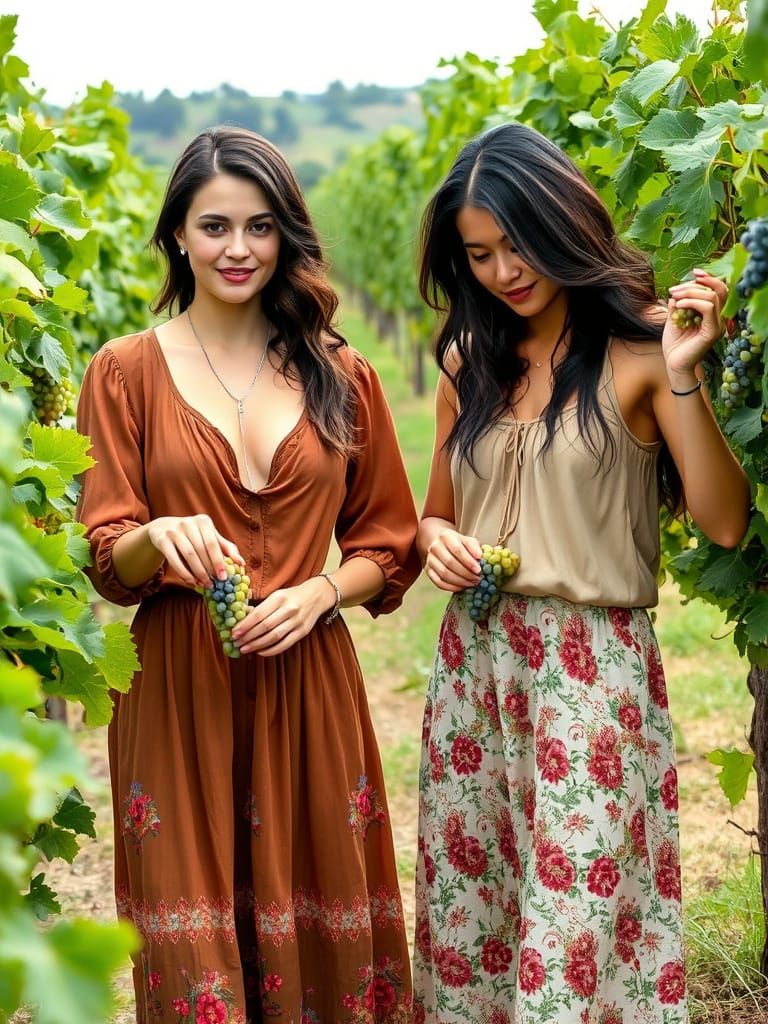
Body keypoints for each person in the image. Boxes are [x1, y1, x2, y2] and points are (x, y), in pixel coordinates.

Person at [76, 125, 420, 1024]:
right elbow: (110, 553)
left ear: (288, 236)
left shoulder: (345, 373)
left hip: (310, 681)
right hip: (178, 691)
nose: (238, 248)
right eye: (215, 225)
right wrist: (161, 532)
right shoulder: (121, 372)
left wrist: (319, 592)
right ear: (176, 236)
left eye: (260, 227)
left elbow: (388, 541)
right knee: (196, 957)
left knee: (321, 934)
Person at [412, 121, 750, 1024]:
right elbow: (435, 513)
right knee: (475, 923)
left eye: (517, 243)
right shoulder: (465, 361)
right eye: (478, 254)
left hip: (590, 678)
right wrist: (433, 539)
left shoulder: (642, 352)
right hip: (475, 670)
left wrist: (687, 378)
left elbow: (723, 521)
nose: (502, 271)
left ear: (562, 220)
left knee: (576, 936)